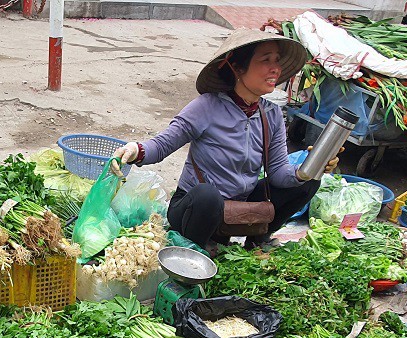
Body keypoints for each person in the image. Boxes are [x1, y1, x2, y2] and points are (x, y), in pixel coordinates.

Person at [112, 29, 341, 251]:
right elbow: (162, 144)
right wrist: (135, 150)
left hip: (241, 206)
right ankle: (199, 248)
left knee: (310, 182)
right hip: (196, 208)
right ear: (238, 68)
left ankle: (258, 239)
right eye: (266, 60)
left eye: (277, 60)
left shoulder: (271, 114)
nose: (275, 69)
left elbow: (279, 172)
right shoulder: (207, 106)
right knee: (207, 195)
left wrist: (307, 170)